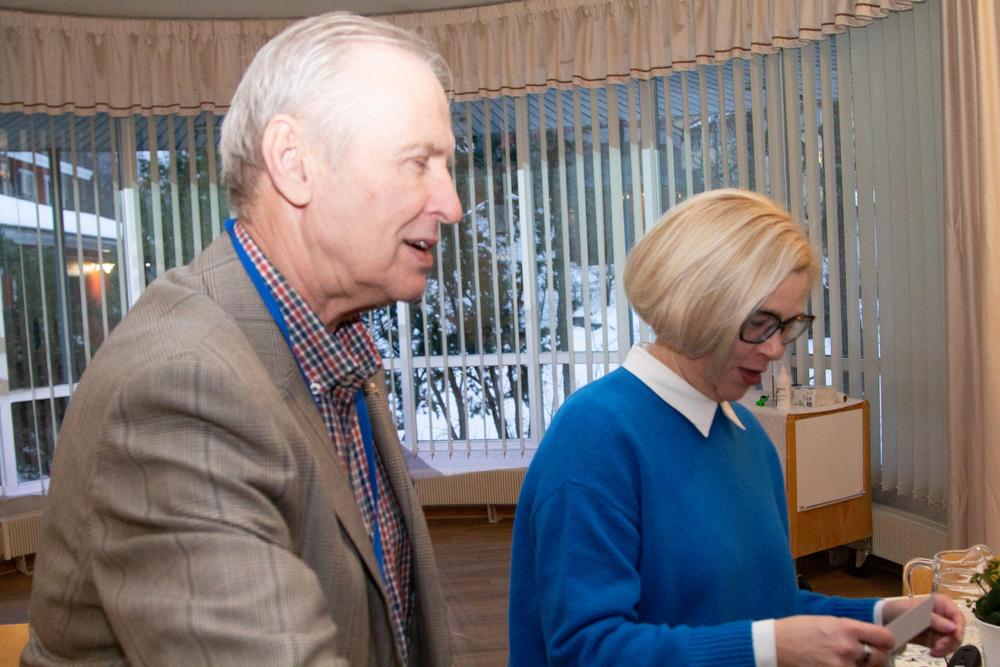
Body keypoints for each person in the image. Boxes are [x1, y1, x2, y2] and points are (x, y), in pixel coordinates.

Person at [23, 12, 462, 666]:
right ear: (294, 163)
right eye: (418, 163)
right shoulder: (181, 385)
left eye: (447, 167)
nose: (451, 204)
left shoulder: (333, 344)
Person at [507, 189, 964, 666]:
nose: (775, 350)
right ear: (694, 306)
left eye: (786, 326)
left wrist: (880, 616)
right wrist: (770, 648)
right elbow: (586, 650)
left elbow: (762, 608)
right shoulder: (595, 436)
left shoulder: (745, 432)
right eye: (759, 323)